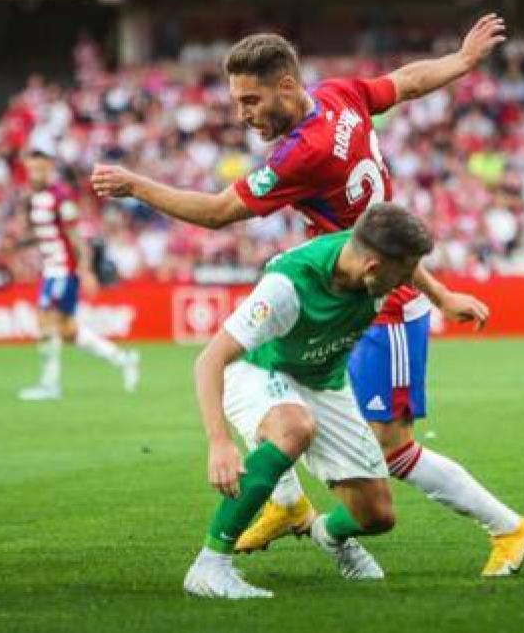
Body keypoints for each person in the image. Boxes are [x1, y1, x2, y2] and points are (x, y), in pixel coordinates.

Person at [93, 16, 524, 578]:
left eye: (251, 101)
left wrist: (137, 187)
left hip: (383, 303)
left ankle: (509, 527)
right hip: (340, 284)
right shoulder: (340, 94)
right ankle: (284, 505)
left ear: (287, 86)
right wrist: (461, 61)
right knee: (271, 370)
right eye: (238, 102)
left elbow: (215, 214)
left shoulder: (301, 156)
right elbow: (404, 83)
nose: (243, 115)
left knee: (393, 450)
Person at [184, 204, 430, 599]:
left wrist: (446, 296)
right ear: (372, 267)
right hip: (261, 368)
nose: (407, 285)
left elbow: (409, 266)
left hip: (325, 380)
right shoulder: (287, 286)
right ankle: (210, 565)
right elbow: (209, 359)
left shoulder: (373, 260)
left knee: (377, 516)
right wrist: (219, 441)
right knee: (294, 427)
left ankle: (327, 536)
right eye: (402, 276)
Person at [17, 142, 140, 400]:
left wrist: (85, 271)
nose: (35, 175)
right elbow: (46, 235)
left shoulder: (60, 196)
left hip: (63, 270)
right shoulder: (34, 198)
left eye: (39, 169)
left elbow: (76, 238)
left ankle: (50, 385)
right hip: (51, 270)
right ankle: (123, 359)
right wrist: (17, 246)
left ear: (49, 168)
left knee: (46, 320)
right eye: (31, 170)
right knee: (68, 331)